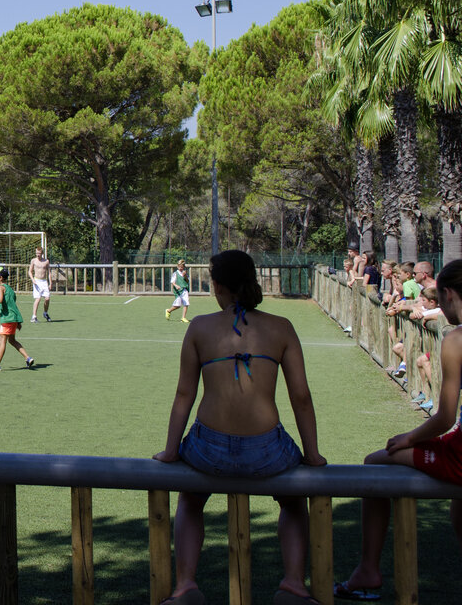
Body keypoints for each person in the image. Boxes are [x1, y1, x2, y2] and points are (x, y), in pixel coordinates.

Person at [153, 250, 326, 605]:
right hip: (267, 450)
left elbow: (185, 394)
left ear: (217, 286)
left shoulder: (199, 327)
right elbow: (301, 396)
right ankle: (293, 583)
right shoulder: (281, 327)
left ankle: (185, 584)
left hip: (207, 448)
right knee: (293, 501)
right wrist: (312, 454)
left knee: (190, 500)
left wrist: (171, 451)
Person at [336, 259, 462, 601]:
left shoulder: (456, 340)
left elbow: (445, 416)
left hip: (461, 452)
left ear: (449, 294)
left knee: (376, 462)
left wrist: (409, 438)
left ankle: (368, 569)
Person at [0, 269, 36, 372]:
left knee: (2, 341)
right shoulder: (10, 289)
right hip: (13, 318)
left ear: (1, 278)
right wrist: (18, 322)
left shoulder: (1, 288)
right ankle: (28, 358)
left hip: (7, 319)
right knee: (12, 340)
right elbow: (13, 305)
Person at [28, 248, 52, 322]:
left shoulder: (46, 261)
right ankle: (34, 316)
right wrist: (33, 280)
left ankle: (45, 313)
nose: (38, 255)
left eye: (39, 253)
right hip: (37, 281)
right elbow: (30, 271)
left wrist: (50, 283)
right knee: (38, 299)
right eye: (37, 253)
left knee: (47, 298)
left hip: (44, 281)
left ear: (42, 253)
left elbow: (49, 273)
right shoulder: (33, 261)